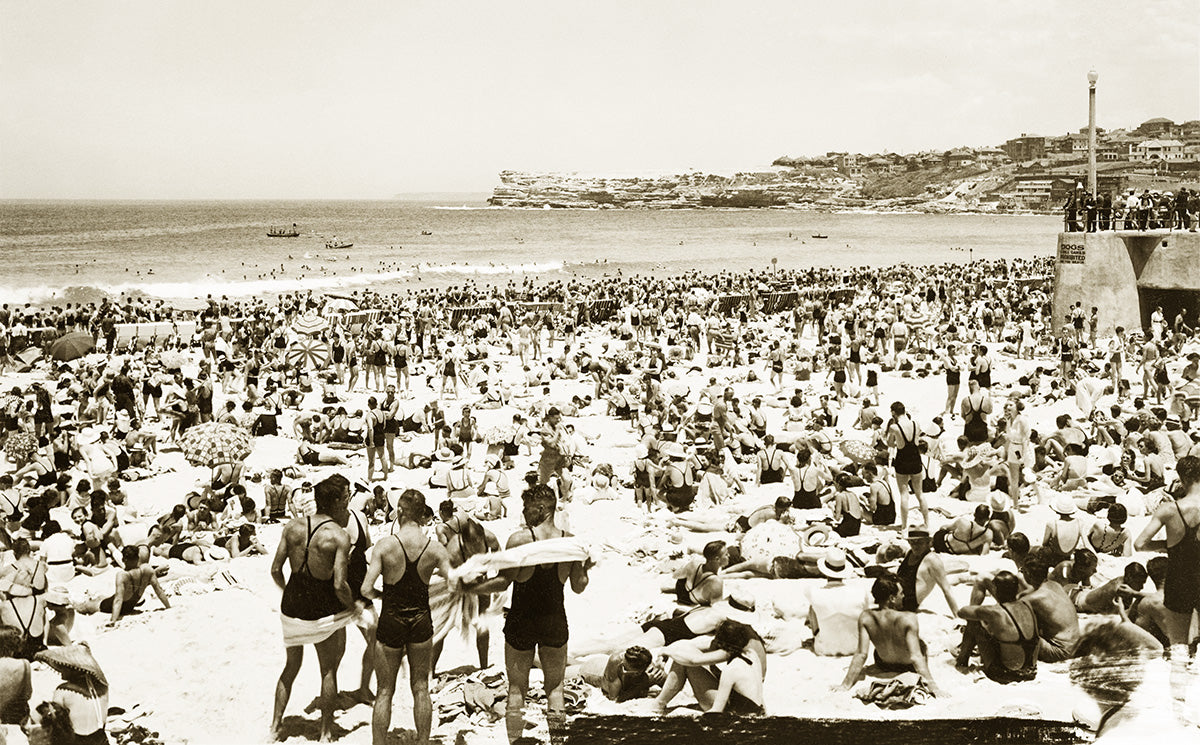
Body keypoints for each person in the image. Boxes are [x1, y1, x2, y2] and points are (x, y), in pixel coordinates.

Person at [463, 484, 591, 744]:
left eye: (527, 507)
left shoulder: (521, 540)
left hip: (522, 620)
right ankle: (557, 741)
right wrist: (587, 567)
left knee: (516, 690)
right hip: (554, 619)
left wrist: (470, 587)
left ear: (542, 508)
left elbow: (502, 582)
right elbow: (579, 586)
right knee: (555, 690)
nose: (523, 512)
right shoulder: (571, 541)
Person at [361, 489, 454, 745]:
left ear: (399, 511)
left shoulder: (386, 545)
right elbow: (454, 582)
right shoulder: (434, 548)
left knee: (384, 691)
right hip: (421, 619)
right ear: (423, 514)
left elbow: (366, 589)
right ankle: (423, 742)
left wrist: (383, 597)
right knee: (421, 688)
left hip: (392, 618)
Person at [270, 476, 356, 743]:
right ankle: (326, 732)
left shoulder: (293, 527)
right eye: (345, 497)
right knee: (328, 670)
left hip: (292, 604)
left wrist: (288, 592)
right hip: (321, 609)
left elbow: (275, 570)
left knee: (291, 667)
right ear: (335, 501)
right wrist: (353, 607)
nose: (348, 502)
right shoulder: (338, 536)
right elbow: (340, 585)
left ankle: (274, 727)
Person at [837, 576, 943, 696]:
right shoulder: (909, 618)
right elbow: (916, 657)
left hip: (884, 664)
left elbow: (861, 654)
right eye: (901, 593)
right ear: (892, 598)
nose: (903, 596)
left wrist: (845, 685)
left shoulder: (866, 617)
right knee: (922, 645)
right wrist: (934, 687)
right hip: (908, 667)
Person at [656, 619, 766, 715]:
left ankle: (658, 704)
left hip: (732, 711)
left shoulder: (731, 669)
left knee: (682, 662)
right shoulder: (750, 651)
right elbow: (696, 647)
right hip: (755, 708)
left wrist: (666, 651)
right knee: (687, 654)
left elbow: (693, 661)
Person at [956, 571, 1040, 684]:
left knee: (974, 622)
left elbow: (961, 612)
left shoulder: (994, 612)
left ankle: (962, 661)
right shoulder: (1027, 604)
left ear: (996, 590)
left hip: (1006, 674)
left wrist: (983, 614)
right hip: (1030, 671)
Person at [73, 546, 170, 625]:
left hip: (111, 607)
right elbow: (159, 590)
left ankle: (75, 604)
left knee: (87, 605)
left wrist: (113, 620)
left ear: (124, 559)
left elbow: (118, 600)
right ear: (137, 557)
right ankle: (91, 598)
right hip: (129, 607)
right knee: (101, 597)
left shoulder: (122, 575)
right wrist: (168, 607)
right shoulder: (147, 569)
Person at [37, 643, 109, 745]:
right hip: (101, 739)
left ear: (73, 668)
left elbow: (58, 723)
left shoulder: (62, 691)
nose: (61, 674)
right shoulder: (103, 685)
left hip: (76, 741)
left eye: (63, 668)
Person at [806, 548, 868, 656]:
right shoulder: (860, 592)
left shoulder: (814, 592)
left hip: (824, 649)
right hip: (855, 648)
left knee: (813, 609)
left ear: (824, 571)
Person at [895, 529, 960, 617]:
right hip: (895, 595)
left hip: (906, 603)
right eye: (912, 542)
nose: (915, 546)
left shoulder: (932, 560)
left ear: (928, 543)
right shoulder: (910, 553)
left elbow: (946, 589)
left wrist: (957, 616)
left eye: (919, 542)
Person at [888, 402, 928, 531]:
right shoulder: (916, 424)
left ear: (893, 412)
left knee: (904, 495)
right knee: (920, 494)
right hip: (915, 459)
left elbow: (889, 443)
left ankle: (904, 526)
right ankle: (927, 523)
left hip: (902, 460)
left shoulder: (894, 427)